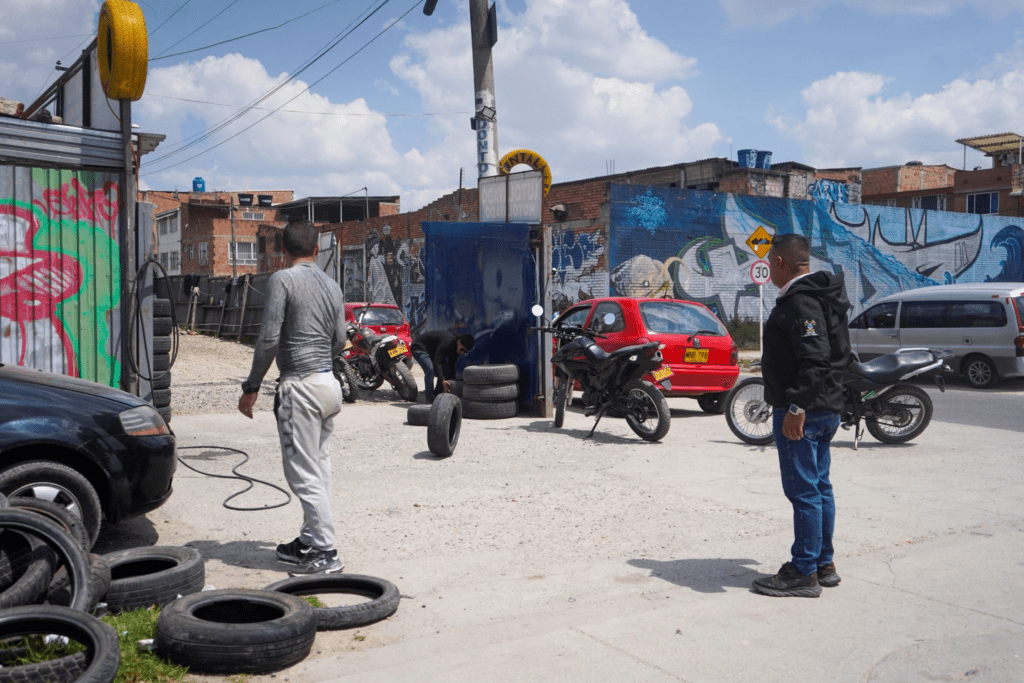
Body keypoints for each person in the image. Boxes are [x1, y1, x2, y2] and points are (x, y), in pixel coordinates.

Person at [238, 219, 347, 574]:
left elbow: (269, 338)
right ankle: (309, 541)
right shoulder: (333, 285)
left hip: (300, 388)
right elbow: (339, 340)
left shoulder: (282, 279)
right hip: (329, 385)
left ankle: (326, 552)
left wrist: (251, 386)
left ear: (282, 250)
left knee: (302, 474)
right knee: (318, 468)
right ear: (316, 249)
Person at [753, 233, 851, 598]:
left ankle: (804, 572)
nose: (769, 269)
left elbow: (815, 358)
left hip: (805, 411)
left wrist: (796, 408)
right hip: (824, 407)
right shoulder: (823, 296)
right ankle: (824, 564)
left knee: (804, 491)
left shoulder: (801, 302)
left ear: (780, 263)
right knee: (819, 487)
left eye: (770, 262)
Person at [411, 330, 475, 402]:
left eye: (465, 351)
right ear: (458, 342)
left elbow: (451, 365)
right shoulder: (447, 342)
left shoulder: (456, 349)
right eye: (462, 349)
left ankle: (436, 395)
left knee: (447, 371)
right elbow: (437, 361)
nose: (462, 352)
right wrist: (442, 380)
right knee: (430, 369)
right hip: (419, 348)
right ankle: (429, 397)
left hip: (432, 352)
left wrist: (451, 383)